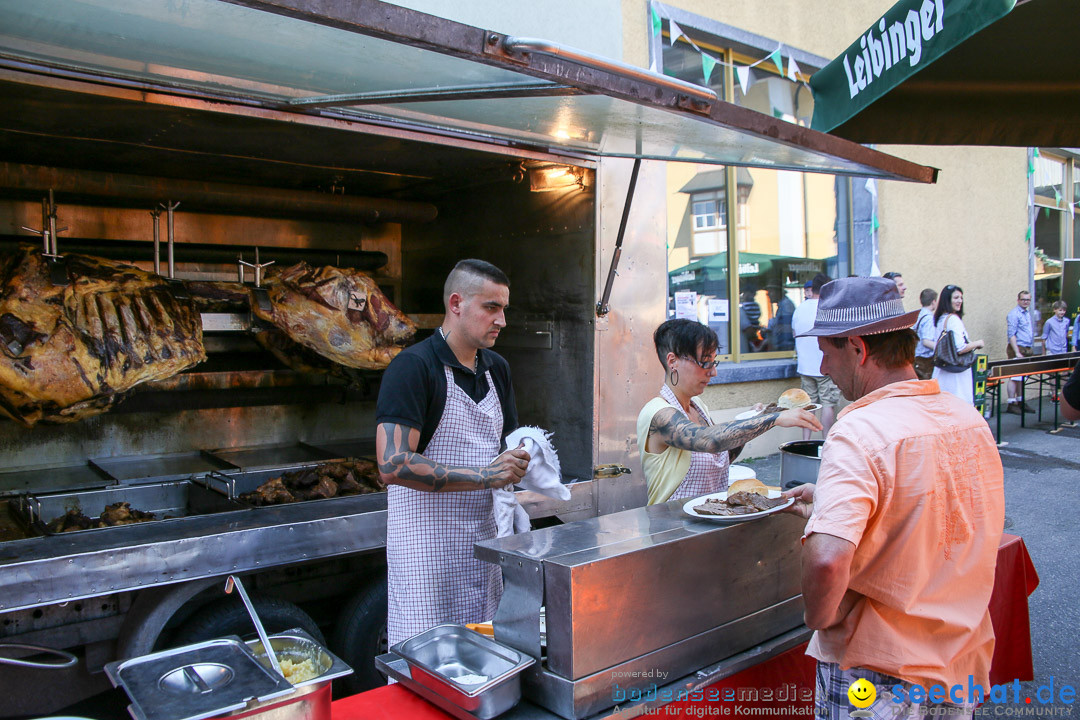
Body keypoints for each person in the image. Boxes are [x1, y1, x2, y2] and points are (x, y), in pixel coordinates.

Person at [783, 276, 1005, 719]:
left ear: (858, 349)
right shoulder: (968, 419)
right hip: (958, 661)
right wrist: (830, 497)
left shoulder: (858, 429)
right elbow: (946, 514)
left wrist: (819, 619)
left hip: (877, 675)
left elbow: (827, 560)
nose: (823, 368)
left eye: (826, 353)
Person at [376, 259, 531, 646]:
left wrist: (524, 460)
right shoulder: (413, 367)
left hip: (483, 548)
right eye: (491, 307)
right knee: (427, 665)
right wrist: (485, 476)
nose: (502, 321)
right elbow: (392, 464)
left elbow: (505, 448)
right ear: (456, 303)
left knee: (484, 659)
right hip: (427, 556)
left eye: (504, 309)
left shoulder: (497, 369)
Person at [637, 318, 820, 505]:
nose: (713, 372)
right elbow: (709, 440)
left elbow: (723, 452)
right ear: (673, 361)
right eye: (705, 363)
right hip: (672, 528)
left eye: (713, 362)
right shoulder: (657, 412)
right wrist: (773, 419)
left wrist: (759, 418)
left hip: (709, 518)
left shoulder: (697, 405)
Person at [791, 273, 839, 438]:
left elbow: (794, 333)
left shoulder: (800, 308)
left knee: (808, 405)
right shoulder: (827, 308)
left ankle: (805, 441)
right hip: (825, 365)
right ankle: (826, 441)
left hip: (805, 365)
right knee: (828, 404)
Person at [932, 285, 985, 405]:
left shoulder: (940, 319)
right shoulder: (953, 320)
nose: (960, 301)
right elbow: (960, 348)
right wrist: (977, 343)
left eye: (961, 297)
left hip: (942, 371)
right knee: (959, 407)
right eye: (956, 297)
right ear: (947, 300)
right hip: (956, 375)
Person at [1006, 290, 1035, 413]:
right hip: (1018, 348)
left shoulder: (1027, 313)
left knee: (1022, 377)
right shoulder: (1014, 314)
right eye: (1023, 299)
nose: (1025, 302)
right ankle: (1011, 403)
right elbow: (1011, 334)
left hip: (1026, 348)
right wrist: (1017, 351)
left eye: (1028, 299)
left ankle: (1020, 401)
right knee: (1014, 377)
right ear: (1018, 300)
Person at [913, 288, 938, 380]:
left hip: (916, 358)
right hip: (925, 361)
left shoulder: (918, 314)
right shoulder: (929, 318)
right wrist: (940, 348)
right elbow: (926, 341)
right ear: (933, 301)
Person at [766, 284, 796, 351]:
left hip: (785, 348)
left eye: (770, 292)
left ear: (778, 292)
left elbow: (786, 331)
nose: (768, 295)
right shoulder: (782, 305)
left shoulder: (786, 305)